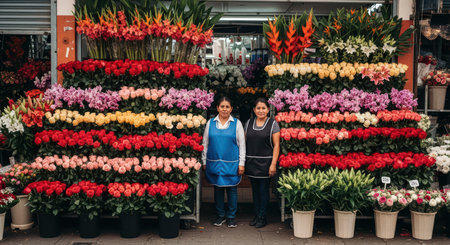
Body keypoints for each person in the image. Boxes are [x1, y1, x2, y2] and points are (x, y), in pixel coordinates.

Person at [202, 97, 245, 228]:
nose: (225, 109)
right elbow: (205, 143)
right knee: (218, 189)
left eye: (227, 106)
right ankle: (220, 215)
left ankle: (231, 216)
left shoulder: (237, 123)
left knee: (232, 189)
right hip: (214, 162)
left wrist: (241, 163)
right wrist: (204, 160)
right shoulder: (210, 123)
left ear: (231, 109)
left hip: (232, 163)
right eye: (222, 106)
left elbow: (242, 145)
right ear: (217, 108)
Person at [244, 98, 280, 228]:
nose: (261, 111)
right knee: (254, 190)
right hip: (252, 161)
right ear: (254, 110)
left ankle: (262, 217)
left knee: (263, 190)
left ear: (268, 110)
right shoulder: (248, 123)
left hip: (266, 163)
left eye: (263, 108)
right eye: (258, 108)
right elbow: (244, 142)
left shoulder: (273, 124)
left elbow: (276, 146)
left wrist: (273, 164)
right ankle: (257, 214)